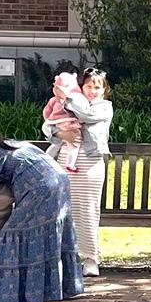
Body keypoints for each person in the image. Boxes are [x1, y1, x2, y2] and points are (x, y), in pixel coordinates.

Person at [0, 122, 83, 302]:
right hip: (59, 182)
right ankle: (50, 288)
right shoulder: (9, 144)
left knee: (11, 236)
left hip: (40, 189)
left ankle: (4, 291)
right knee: (44, 234)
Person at [43, 65, 113, 277]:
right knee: (63, 210)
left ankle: (91, 258)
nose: (93, 91)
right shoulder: (68, 102)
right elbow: (48, 126)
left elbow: (87, 115)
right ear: (81, 86)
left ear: (104, 90)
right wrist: (61, 134)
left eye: (97, 87)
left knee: (88, 210)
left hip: (90, 163)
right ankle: (66, 257)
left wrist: (67, 97)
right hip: (64, 162)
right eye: (88, 86)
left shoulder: (104, 107)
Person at [43, 69, 82, 172]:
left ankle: (46, 159)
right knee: (74, 145)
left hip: (56, 123)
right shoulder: (73, 100)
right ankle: (70, 164)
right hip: (69, 123)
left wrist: (48, 119)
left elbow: (46, 111)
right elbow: (81, 114)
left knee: (56, 144)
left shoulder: (54, 100)